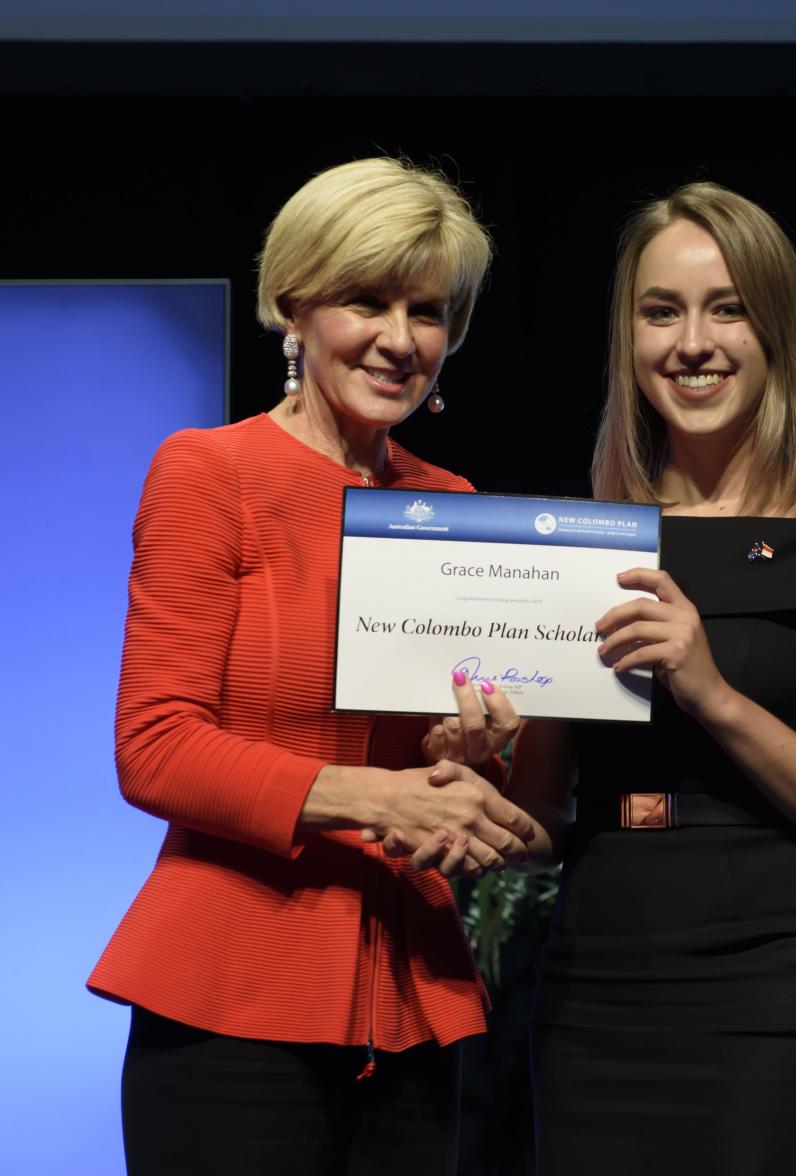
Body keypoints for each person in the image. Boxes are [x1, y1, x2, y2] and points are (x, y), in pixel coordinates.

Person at [429, 181, 796, 1174]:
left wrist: (711, 692)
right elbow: (540, 824)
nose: (692, 343)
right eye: (661, 311)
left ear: (779, 333)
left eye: (728, 309)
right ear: (629, 340)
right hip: (598, 987)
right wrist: (470, 780)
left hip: (786, 990)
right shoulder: (586, 550)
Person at [87, 157, 538, 1176]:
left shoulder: (454, 503)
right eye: (365, 300)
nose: (398, 337)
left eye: (428, 310)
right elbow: (154, 747)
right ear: (295, 308)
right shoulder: (211, 473)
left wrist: (467, 763)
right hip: (231, 997)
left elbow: (434, 779)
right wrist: (377, 797)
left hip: (413, 1006)